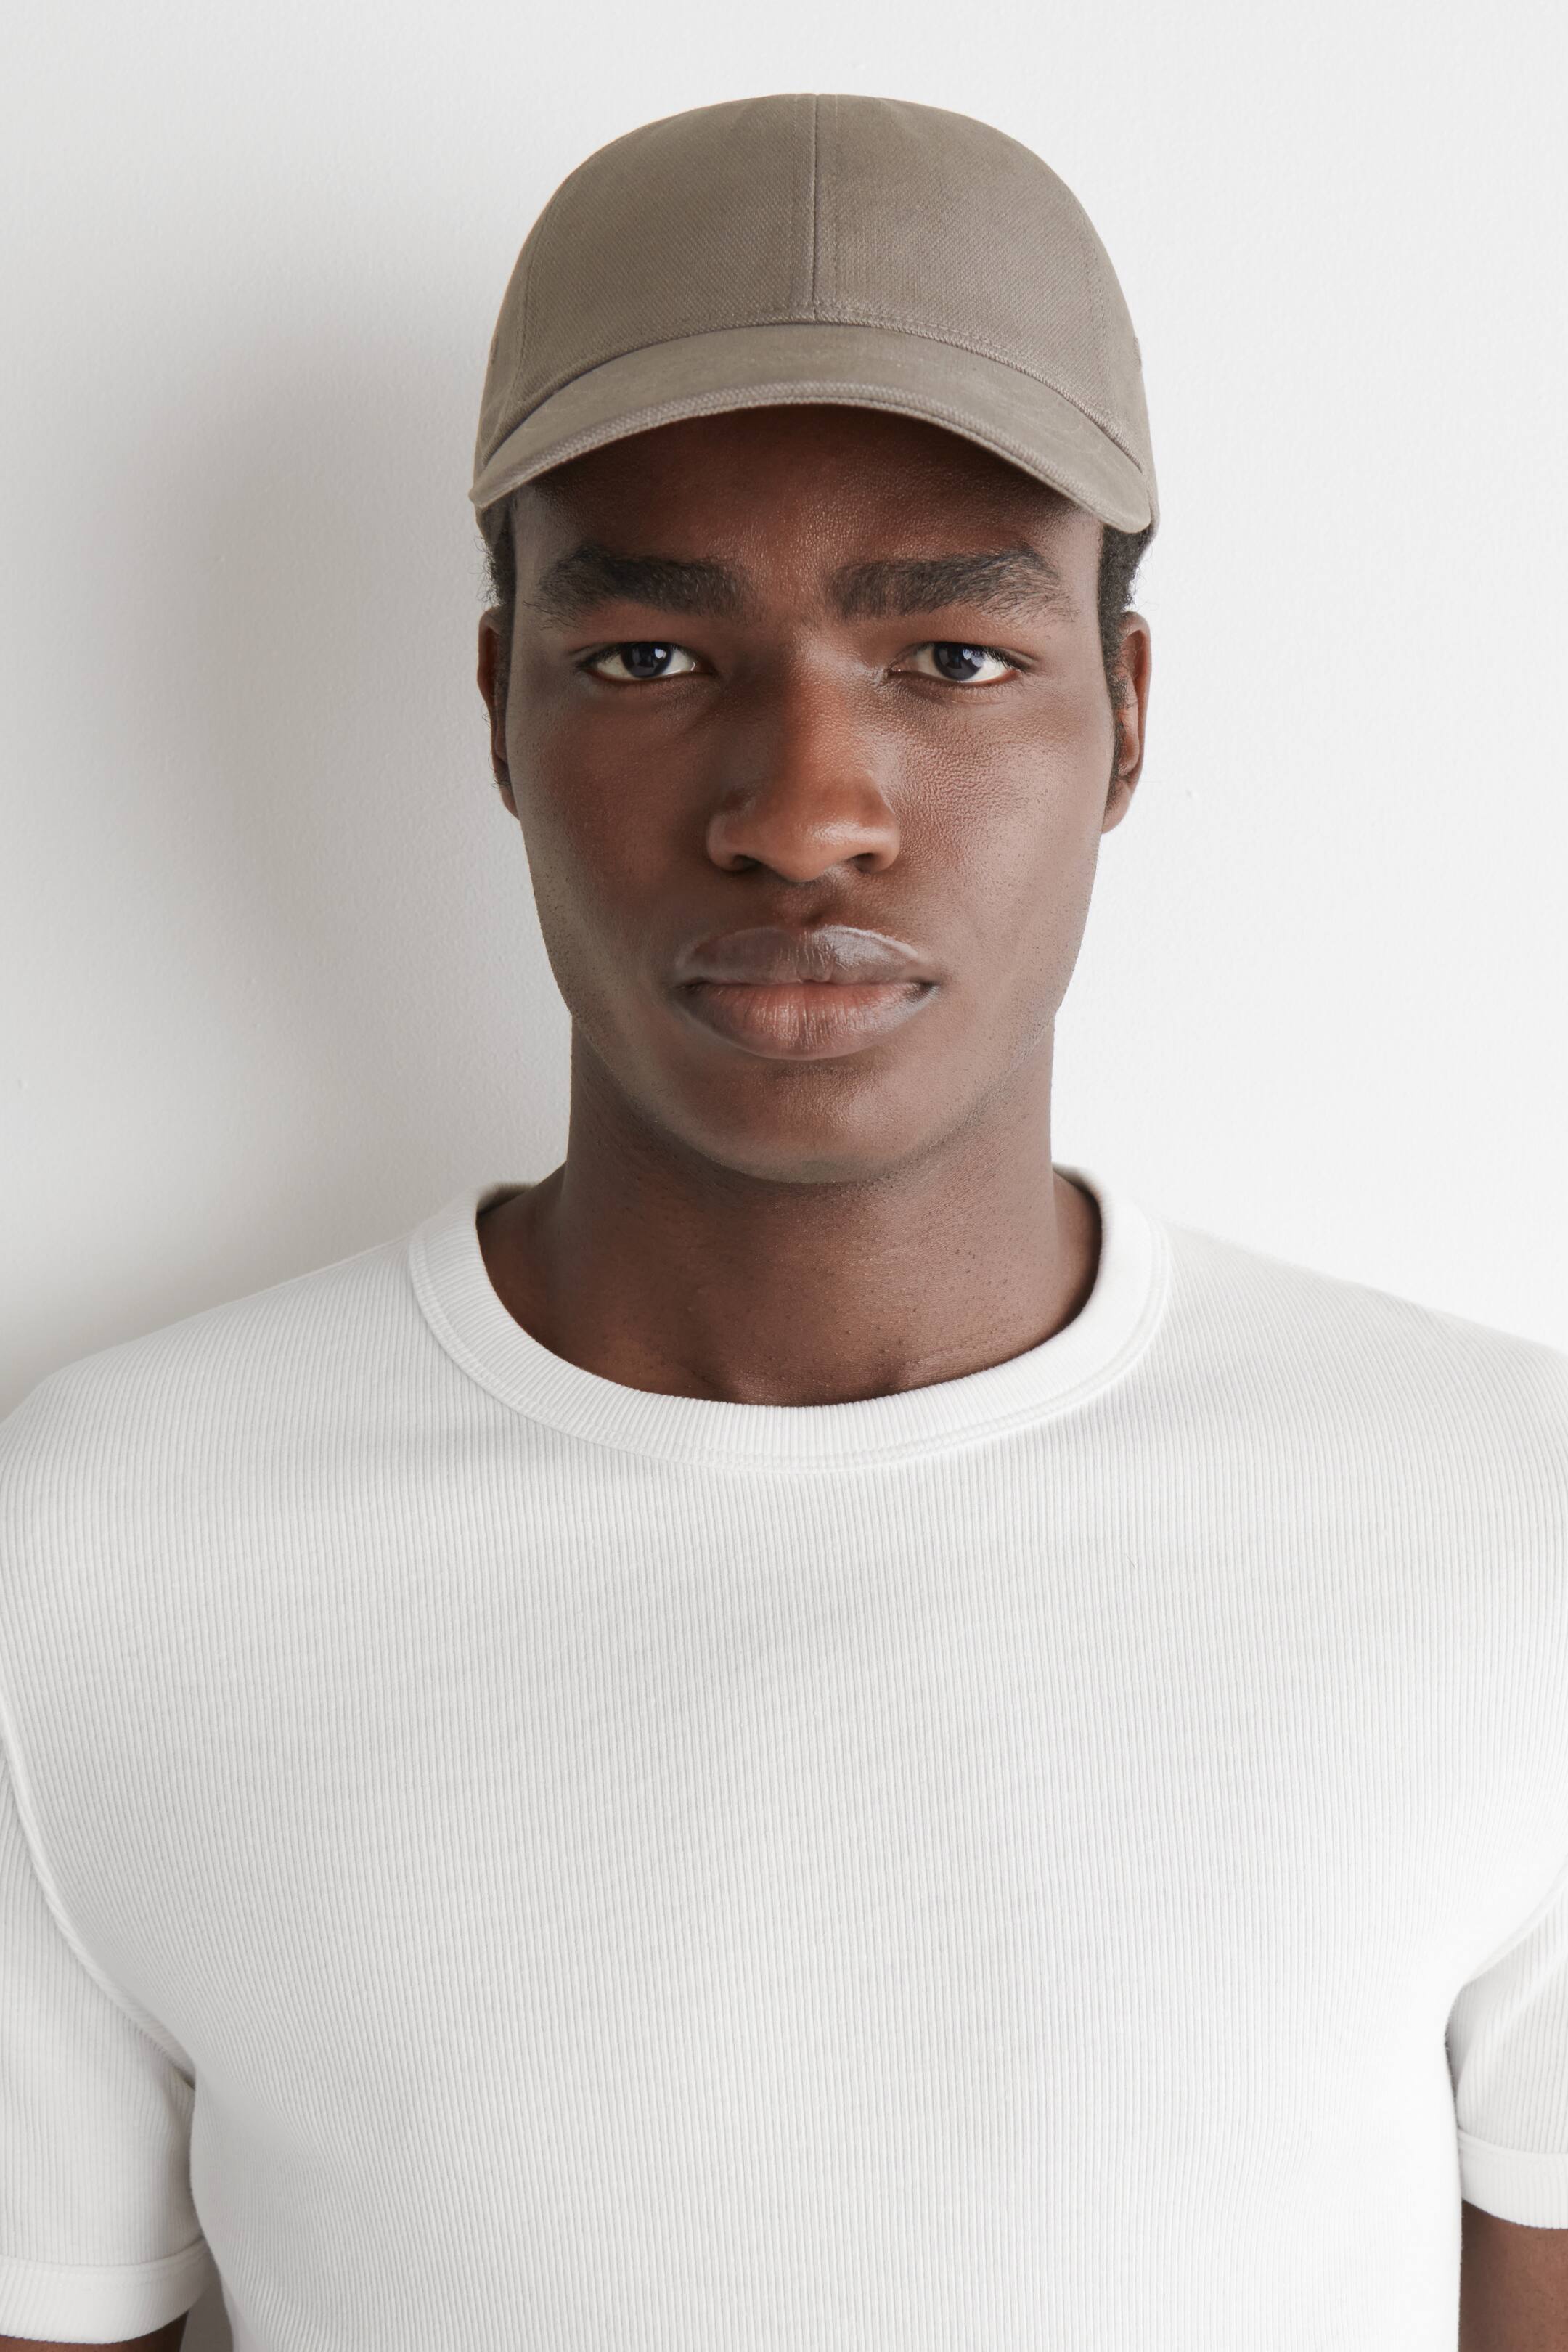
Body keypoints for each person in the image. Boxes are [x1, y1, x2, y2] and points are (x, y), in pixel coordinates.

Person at [1, 92, 1565, 2352]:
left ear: (1126, 721)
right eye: (650, 656)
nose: (807, 810)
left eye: (952, 657)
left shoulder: (1502, 1528)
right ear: (500, 712)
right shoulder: (99, 1556)